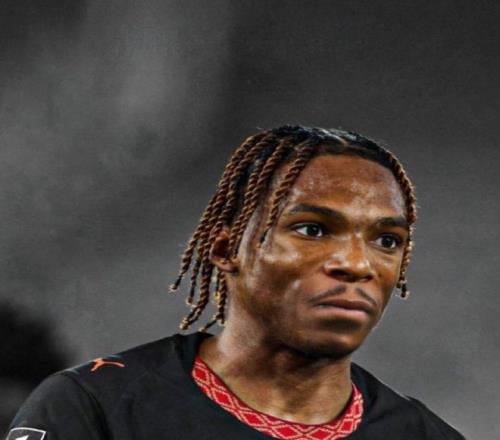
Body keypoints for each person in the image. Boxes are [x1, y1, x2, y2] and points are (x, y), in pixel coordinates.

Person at [7, 126, 465, 439]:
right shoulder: (96, 408)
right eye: (312, 230)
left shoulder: (423, 434)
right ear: (226, 249)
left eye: (387, 240)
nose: (356, 264)